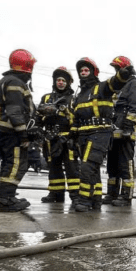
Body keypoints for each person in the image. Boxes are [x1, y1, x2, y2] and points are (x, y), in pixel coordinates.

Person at [71, 57, 134, 212]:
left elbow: (115, 82)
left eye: (86, 70)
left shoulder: (102, 88)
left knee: (87, 166)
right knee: (92, 168)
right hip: (83, 135)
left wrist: (123, 74)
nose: (83, 73)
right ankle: (95, 199)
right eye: (81, 71)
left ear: (93, 72)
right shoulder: (79, 96)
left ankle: (84, 200)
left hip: (100, 133)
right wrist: (72, 137)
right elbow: (75, 118)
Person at [0, 49, 37, 213]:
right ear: (27, 65)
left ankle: (8, 197)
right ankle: (6, 201)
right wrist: (23, 134)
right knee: (15, 165)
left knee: (10, 164)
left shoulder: (8, 80)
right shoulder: (15, 83)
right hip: (13, 133)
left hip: (7, 132)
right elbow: (15, 111)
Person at [104, 56, 136, 207]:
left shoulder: (134, 85)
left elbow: (134, 108)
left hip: (125, 134)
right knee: (112, 165)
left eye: (118, 68)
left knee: (125, 165)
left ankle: (126, 196)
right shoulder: (118, 86)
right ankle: (112, 193)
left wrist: (128, 127)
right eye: (115, 69)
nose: (116, 71)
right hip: (112, 134)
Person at [37, 67, 79, 203]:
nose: (60, 82)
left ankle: (75, 196)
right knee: (54, 167)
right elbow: (38, 117)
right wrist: (39, 129)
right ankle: (55, 194)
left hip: (67, 138)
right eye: (58, 80)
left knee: (71, 168)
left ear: (68, 82)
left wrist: (66, 112)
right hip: (50, 138)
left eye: (63, 80)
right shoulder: (46, 97)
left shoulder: (73, 99)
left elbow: (77, 119)